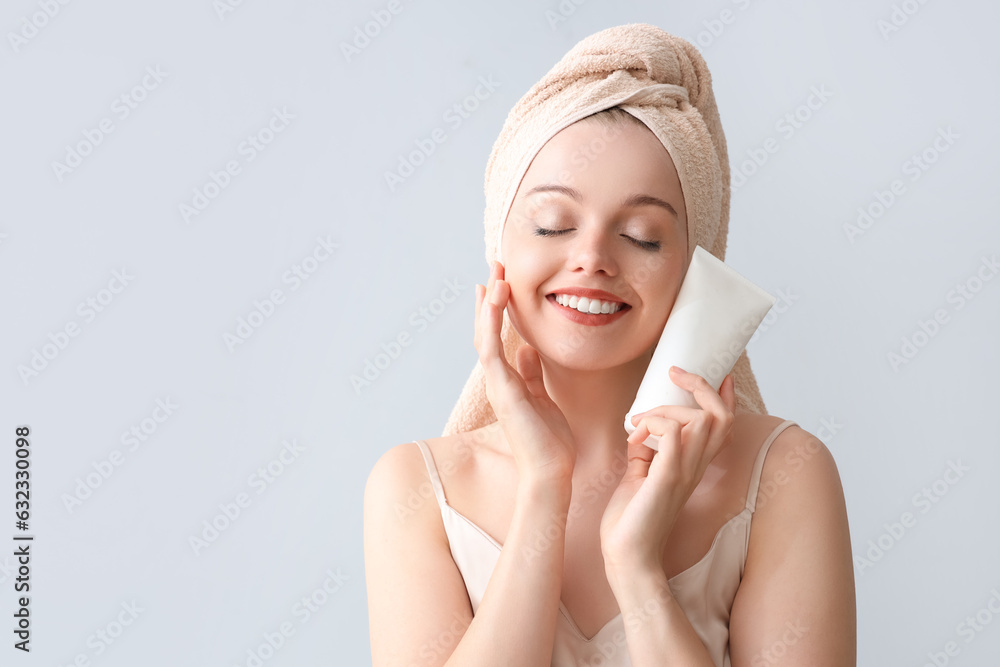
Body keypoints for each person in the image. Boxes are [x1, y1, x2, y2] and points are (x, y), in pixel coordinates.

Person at [365, 24, 855, 666]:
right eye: (552, 224)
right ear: (499, 248)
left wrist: (637, 570)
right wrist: (544, 486)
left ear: (695, 262)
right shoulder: (419, 488)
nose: (592, 258)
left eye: (643, 235)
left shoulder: (784, 475)